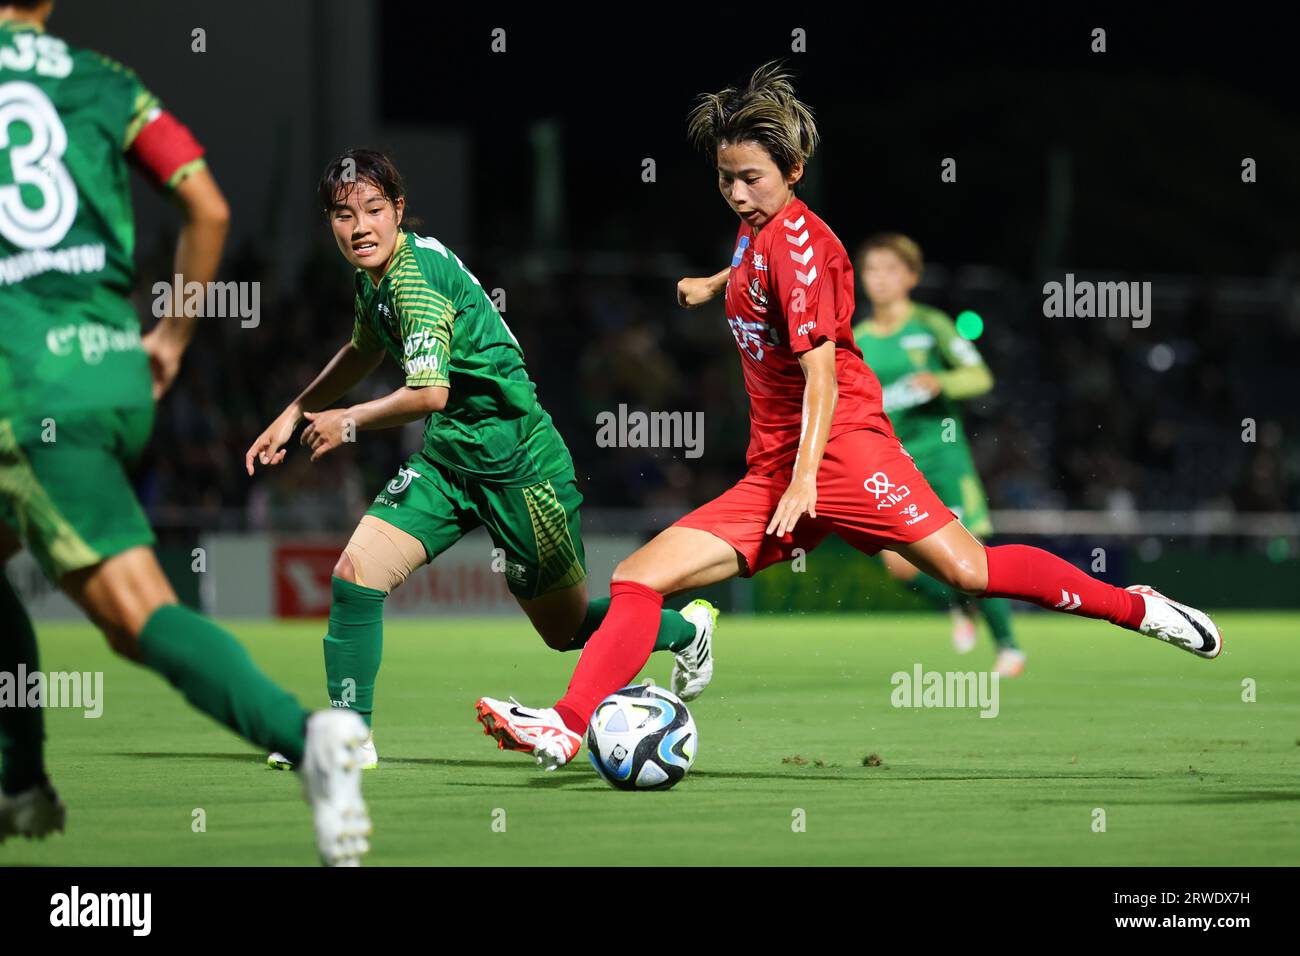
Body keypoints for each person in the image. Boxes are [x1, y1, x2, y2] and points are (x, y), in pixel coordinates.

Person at [474, 62, 1222, 770]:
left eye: (752, 179)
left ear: (793, 173)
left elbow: (821, 375)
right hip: (779, 465)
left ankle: (1137, 608)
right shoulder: (758, 229)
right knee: (638, 578)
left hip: (844, 455)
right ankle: (569, 725)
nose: (736, 193)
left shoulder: (806, 248)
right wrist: (713, 284)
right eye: (726, 178)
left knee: (971, 569)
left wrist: (805, 483)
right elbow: (756, 264)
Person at [0, 0, 369, 865]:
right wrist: (168, 334)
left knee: (133, 616)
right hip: (110, 371)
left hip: (26, 384)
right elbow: (206, 208)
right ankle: (20, 784)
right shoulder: (104, 82)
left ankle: (310, 736)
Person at [246, 149, 715, 770]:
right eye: (342, 214)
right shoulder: (376, 275)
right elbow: (363, 349)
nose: (359, 226)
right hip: (448, 461)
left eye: (374, 210)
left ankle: (685, 629)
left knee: (566, 632)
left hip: (522, 467)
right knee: (355, 577)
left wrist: (348, 419)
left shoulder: (412, 281)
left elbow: (429, 392)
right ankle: (349, 739)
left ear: (399, 210)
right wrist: (296, 410)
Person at [854, 233, 1024, 676]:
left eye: (892, 269)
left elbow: (979, 376)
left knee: (975, 555)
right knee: (900, 567)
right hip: (892, 467)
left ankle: (1009, 647)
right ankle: (958, 605)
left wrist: (942, 383)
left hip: (944, 461)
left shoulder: (931, 325)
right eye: (872, 269)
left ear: (911, 276)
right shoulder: (857, 340)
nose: (881, 279)